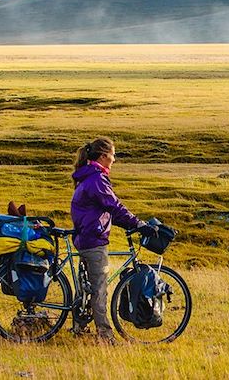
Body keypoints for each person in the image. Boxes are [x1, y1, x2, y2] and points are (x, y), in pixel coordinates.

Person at [70, 137, 157, 343]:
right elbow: (114, 205)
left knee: (87, 287)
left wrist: (131, 223)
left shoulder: (89, 176)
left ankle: (78, 327)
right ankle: (105, 336)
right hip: (93, 239)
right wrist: (137, 224)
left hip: (86, 236)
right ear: (102, 156)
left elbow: (109, 210)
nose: (114, 159)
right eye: (113, 155)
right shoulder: (96, 179)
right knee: (99, 289)